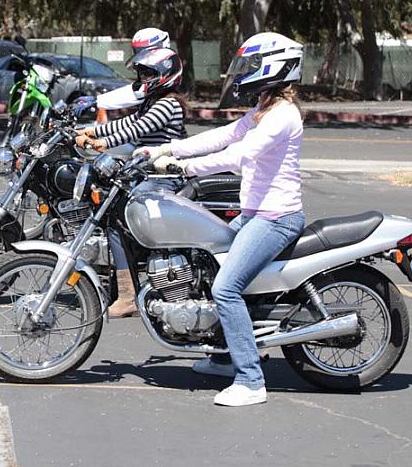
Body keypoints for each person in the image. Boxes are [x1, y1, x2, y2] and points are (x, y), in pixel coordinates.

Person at [138, 32, 306, 407]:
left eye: (249, 66)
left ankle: (250, 379)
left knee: (226, 288)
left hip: (276, 219)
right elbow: (222, 136)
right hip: (254, 215)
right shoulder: (263, 108)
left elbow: (240, 155)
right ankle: (227, 355)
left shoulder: (282, 116)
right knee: (211, 269)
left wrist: (184, 167)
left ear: (273, 67)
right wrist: (166, 147)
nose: (242, 74)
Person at [75, 45, 187, 318]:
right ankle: (126, 290)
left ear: (164, 75)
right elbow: (126, 123)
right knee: (113, 211)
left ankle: (129, 295)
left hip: (164, 177)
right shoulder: (154, 102)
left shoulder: (168, 104)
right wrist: (89, 129)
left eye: (148, 73)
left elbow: (138, 129)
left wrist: (101, 142)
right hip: (148, 171)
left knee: (123, 213)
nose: (142, 79)